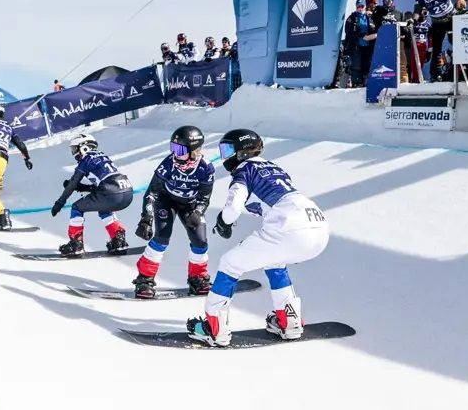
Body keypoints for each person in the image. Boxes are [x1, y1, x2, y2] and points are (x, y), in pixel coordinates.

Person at [185, 129, 329, 347]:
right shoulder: (274, 167)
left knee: (229, 264)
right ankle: (289, 321)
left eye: (228, 150)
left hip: (288, 226)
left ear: (241, 152)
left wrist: (223, 223)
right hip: (318, 226)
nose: (225, 156)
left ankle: (215, 328)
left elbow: (233, 208)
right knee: (275, 261)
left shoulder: (244, 170)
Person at [132, 126, 217, 299]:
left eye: (180, 150)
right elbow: (152, 192)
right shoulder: (168, 163)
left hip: (190, 205)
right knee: (161, 238)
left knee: (200, 242)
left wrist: (198, 212)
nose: (175, 154)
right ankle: (145, 279)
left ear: (193, 151)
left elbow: (204, 197)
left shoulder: (206, 168)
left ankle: (198, 278)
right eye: (173, 148)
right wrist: (146, 218)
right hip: (167, 201)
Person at [49, 134, 132, 256]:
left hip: (110, 193)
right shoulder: (103, 156)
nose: (74, 153)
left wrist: (60, 202)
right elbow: (104, 184)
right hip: (127, 191)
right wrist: (82, 187)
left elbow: (73, 182)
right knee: (104, 208)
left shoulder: (86, 159)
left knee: (76, 207)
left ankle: (76, 244)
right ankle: (118, 239)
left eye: (75, 149)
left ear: (84, 147)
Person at [413, 0, 466, 82]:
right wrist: (412, 20)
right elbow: (417, 12)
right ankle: (435, 74)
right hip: (437, 23)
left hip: (451, 19)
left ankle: (463, 68)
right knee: (436, 48)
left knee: (456, 42)